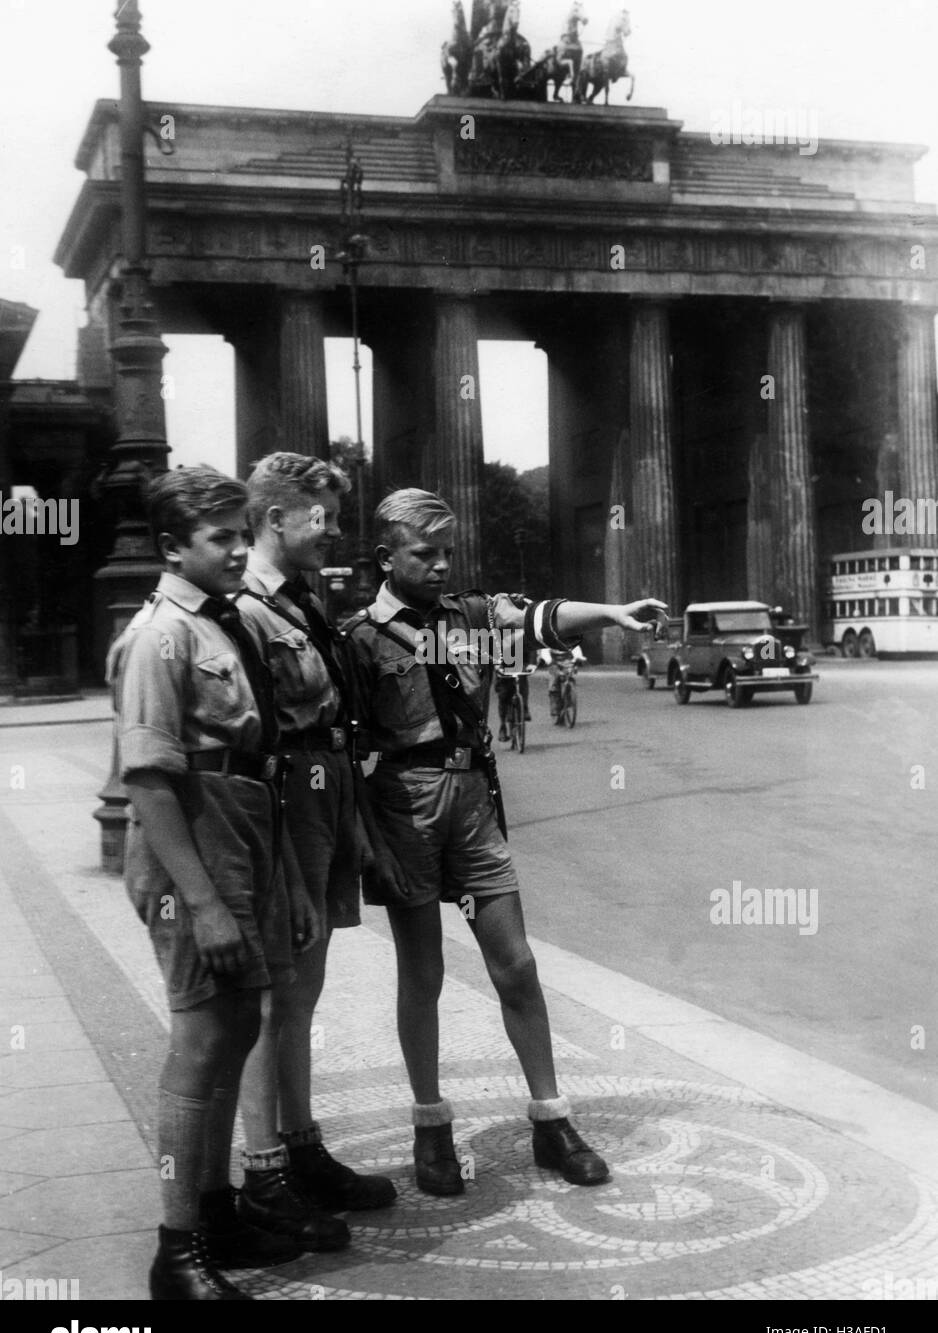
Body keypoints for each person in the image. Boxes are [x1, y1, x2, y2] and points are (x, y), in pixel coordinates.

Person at [344, 487, 667, 1196]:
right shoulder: (360, 640)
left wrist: (610, 612)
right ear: (386, 557)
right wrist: (372, 844)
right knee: (421, 973)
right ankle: (431, 1127)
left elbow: (545, 619)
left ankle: (552, 1121)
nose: (439, 566)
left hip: (471, 804)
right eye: (423, 554)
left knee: (515, 964)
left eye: (447, 553)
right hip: (404, 807)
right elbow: (348, 756)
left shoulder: (470, 620)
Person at [108, 465, 318, 1300]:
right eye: (220, 538)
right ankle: (177, 1251)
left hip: (242, 833)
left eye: (241, 534)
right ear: (172, 547)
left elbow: (258, 759)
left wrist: (288, 881)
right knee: (199, 1045)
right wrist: (200, 903)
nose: (238, 549)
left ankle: (216, 1209)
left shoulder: (219, 623)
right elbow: (148, 780)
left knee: (234, 1032)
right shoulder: (160, 635)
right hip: (191, 844)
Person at [233, 453, 399, 1244]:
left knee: (304, 990)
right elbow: (253, 742)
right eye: (322, 516)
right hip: (286, 798)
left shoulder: (303, 601)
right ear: (276, 519)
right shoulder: (246, 610)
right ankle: (264, 1173)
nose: (334, 529)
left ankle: (302, 1149)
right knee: (276, 993)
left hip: (327, 791)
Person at [541, 643, 586, 721]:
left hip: (567, 661)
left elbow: (575, 648)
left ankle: (569, 696)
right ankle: (555, 705)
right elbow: (545, 651)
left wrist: (578, 657)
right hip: (554, 661)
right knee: (554, 681)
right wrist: (549, 660)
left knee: (569, 674)